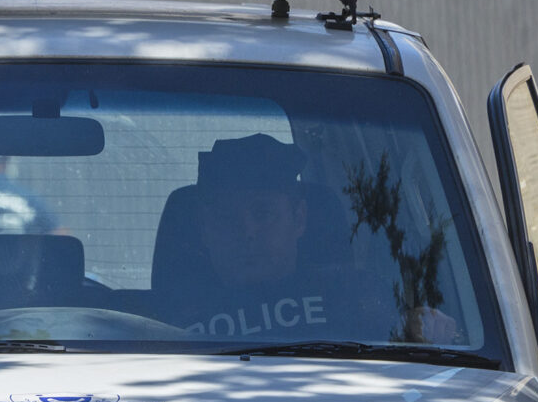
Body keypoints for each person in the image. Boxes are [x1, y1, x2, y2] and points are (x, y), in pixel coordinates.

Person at [162, 134, 460, 345]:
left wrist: (427, 328)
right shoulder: (158, 319)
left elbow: (415, 358)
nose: (247, 231)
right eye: (227, 217)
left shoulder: (358, 298)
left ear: (299, 218)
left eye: (263, 213)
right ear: (204, 228)